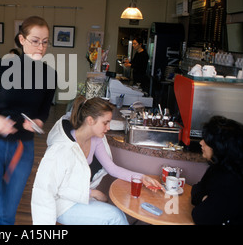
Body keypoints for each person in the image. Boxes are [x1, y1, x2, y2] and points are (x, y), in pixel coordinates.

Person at [31, 96, 163, 225]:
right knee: (115, 217)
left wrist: (142, 178)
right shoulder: (62, 147)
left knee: (117, 215)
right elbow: (46, 190)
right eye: (105, 123)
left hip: (80, 198)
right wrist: (93, 193)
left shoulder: (96, 140)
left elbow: (112, 168)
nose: (109, 127)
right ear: (90, 120)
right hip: (62, 205)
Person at [0, 16, 57, 225]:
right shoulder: (2, 69)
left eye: (45, 41)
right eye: (35, 40)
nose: (41, 47)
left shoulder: (50, 75)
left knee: (6, 215)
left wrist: (38, 122)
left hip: (22, 149)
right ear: (22, 39)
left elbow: (44, 111)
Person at [191, 116, 243, 225]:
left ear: (219, 147)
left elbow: (200, 216)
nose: (201, 143)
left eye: (207, 141)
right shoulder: (217, 168)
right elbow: (196, 188)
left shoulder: (232, 181)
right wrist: (204, 199)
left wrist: (204, 200)